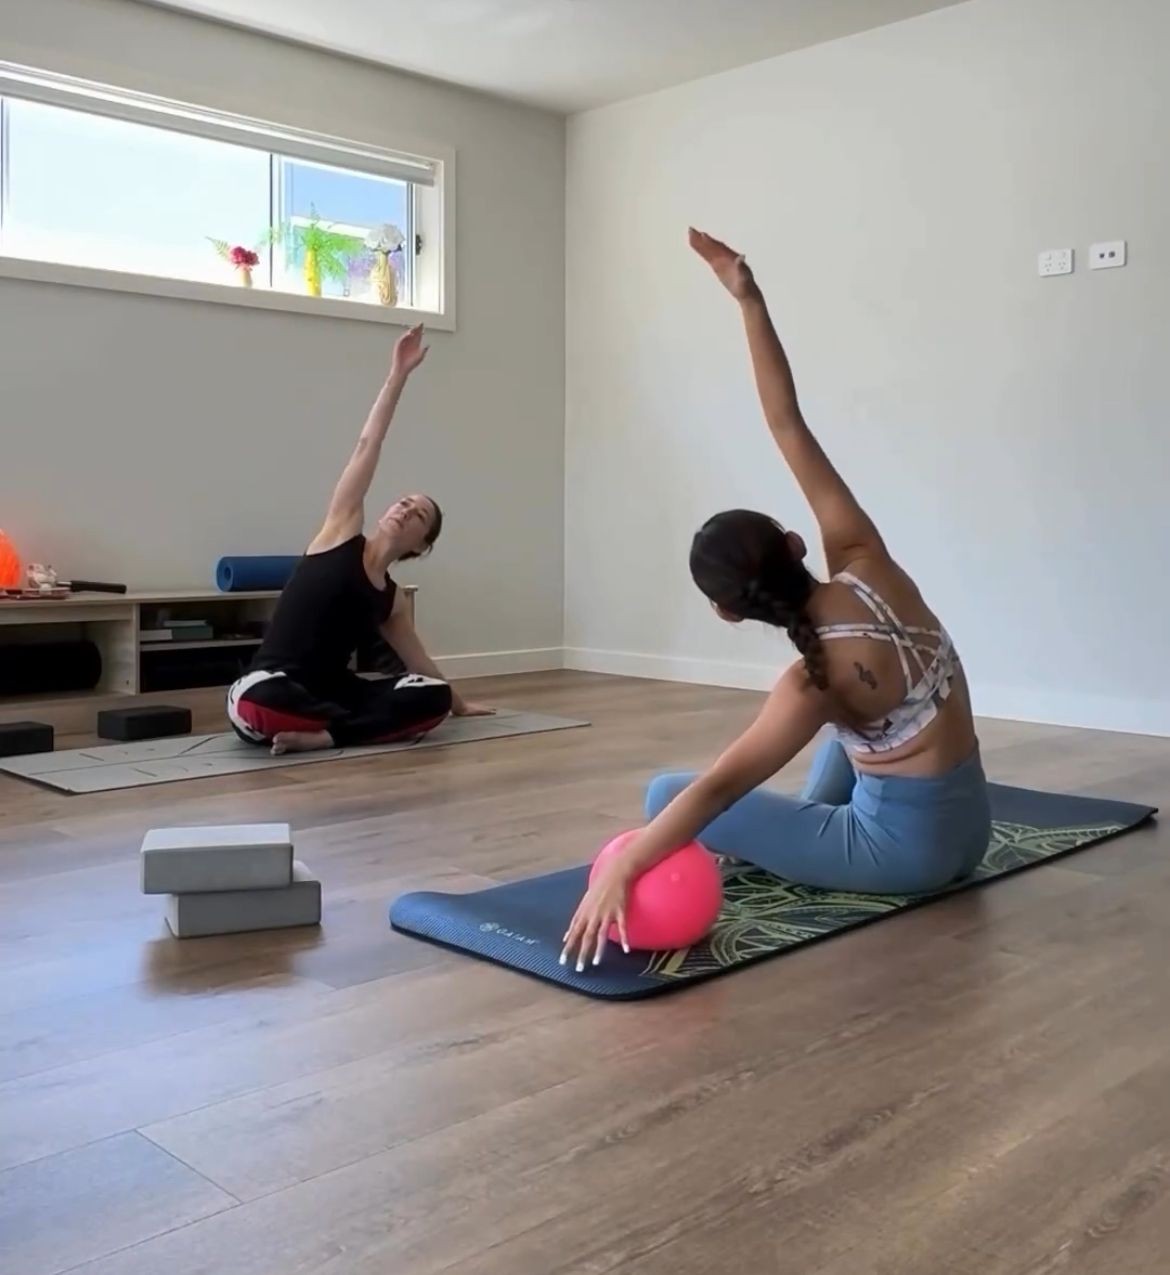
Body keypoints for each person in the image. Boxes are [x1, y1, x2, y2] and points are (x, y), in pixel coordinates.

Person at [561, 229, 990, 971]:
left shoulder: (809, 682)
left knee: (666, 787)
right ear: (796, 541)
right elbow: (787, 423)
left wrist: (628, 866)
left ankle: (814, 835)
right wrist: (747, 296)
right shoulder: (867, 560)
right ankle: (814, 826)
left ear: (729, 613)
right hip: (970, 829)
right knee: (845, 733)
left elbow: (716, 789)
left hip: (902, 858)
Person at [227, 325, 492, 755]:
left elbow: (419, 663)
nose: (404, 509)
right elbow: (368, 444)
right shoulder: (340, 532)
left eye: (418, 514)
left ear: (420, 545)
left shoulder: (392, 599)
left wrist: (456, 705)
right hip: (273, 687)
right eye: (404, 501)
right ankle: (350, 729)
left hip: (331, 696)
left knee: (432, 696)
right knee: (260, 699)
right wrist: (398, 375)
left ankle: (329, 736)